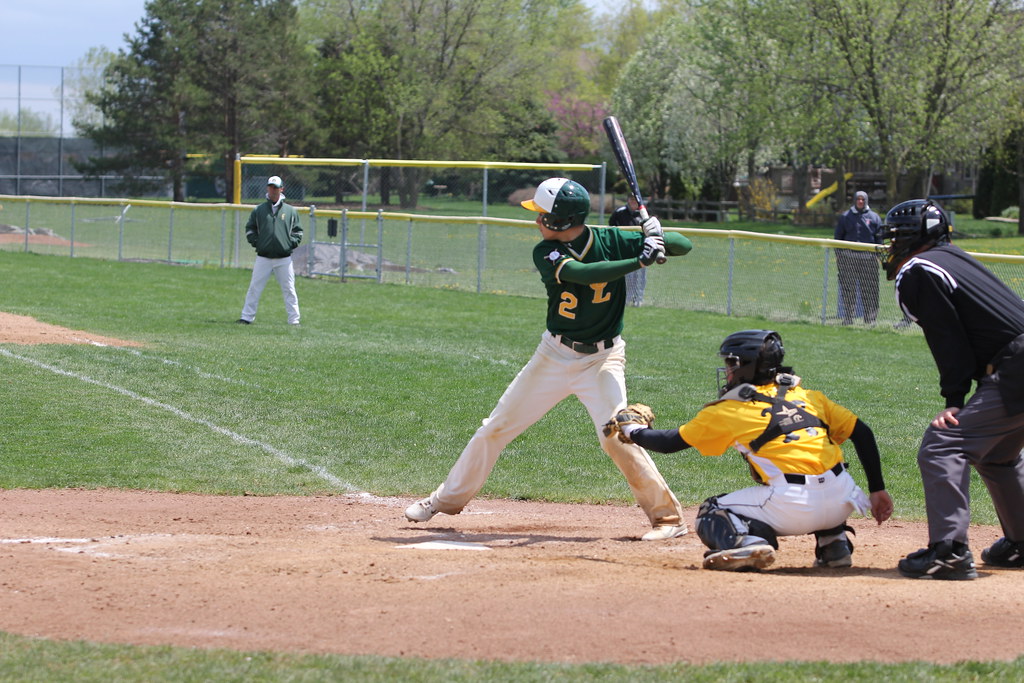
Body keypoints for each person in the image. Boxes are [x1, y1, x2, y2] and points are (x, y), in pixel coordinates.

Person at [405, 177, 693, 540]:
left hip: (603, 359)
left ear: (557, 220)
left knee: (616, 435)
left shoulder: (612, 238)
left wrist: (653, 231)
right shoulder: (546, 251)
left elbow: (684, 245)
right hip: (554, 355)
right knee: (495, 427)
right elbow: (581, 274)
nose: (536, 220)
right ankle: (444, 500)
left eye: (541, 214)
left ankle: (668, 519)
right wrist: (639, 259)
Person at [605, 329, 893, 571]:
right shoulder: (809, 397)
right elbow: (863, 433)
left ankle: (749, 544)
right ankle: (835, 545)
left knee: (712, 510)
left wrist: (632, 430)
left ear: (747, 366)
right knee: (823, 470)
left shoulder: (731, 410)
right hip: (845, 499)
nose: (728, 371)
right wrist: (877, 489)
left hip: (794, 507)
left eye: (732, 363)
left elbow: (670, 443)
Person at [880, 199, 1024, 580]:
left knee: (944, 442)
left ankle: (949, 552)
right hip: (1015, 365)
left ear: (916, 237)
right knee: (997, 456)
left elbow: (949, 339)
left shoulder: (919, 269)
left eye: (897, 236)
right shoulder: (952, 257)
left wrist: (955, 401)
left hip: (1017, 367)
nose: (892, 245)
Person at [238, 176, 302, 326]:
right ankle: (246, 317)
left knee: (289, 289)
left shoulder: (291, 211)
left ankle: (294, 320)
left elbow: (298, 232)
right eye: (270, 187)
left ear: (282, 189)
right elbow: (250, 229)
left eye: (275, 187)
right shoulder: (259, 210)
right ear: (267, 188)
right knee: (254, 288)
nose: (273, 190)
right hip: (264, 257)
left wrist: (288, 244)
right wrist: (257, 243)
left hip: (284, 258)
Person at [833, 190, 882, 325]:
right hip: (848, 258)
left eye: (863, 199)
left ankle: (870, 319)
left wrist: (878, 256)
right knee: (848, 288)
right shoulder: (845, 217)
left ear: (866, 200)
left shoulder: (874, 217)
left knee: (870, 290)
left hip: (869, 259)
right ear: (854, 200)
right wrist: (839, 255)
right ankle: (848, 317)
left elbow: (879, 238)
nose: (860, 202)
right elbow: (838, 237)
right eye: (858, 199)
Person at [608, 196, 647, 307]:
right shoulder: (620, 212)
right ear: (628, 200)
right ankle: (626, 298)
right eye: (631, 199)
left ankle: (638, 299)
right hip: (624, 248)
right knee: (627, 275)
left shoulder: (643, 213)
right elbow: (611, 226)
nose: (633, 202)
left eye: (635, 200)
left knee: (641, 275)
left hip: (641, 247)